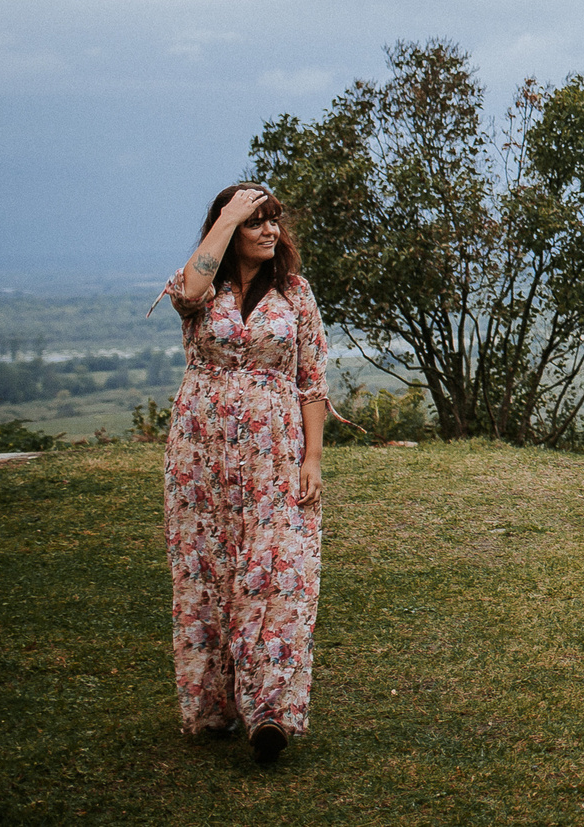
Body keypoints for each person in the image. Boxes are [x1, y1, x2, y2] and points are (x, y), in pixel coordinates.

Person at [162, 183, 329, 764]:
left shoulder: (295, 293)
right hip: (201, 454)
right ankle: (215, 705)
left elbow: (312, 381)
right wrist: (229, 215)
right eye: (256, 221)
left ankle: (270, 711)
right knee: (207, 570)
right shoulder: (204, 287)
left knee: (279, 569)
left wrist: (312, 458)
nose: (269, 230)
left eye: (273, 220)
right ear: (230, 228)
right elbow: (188, 291)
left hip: (275, 452)